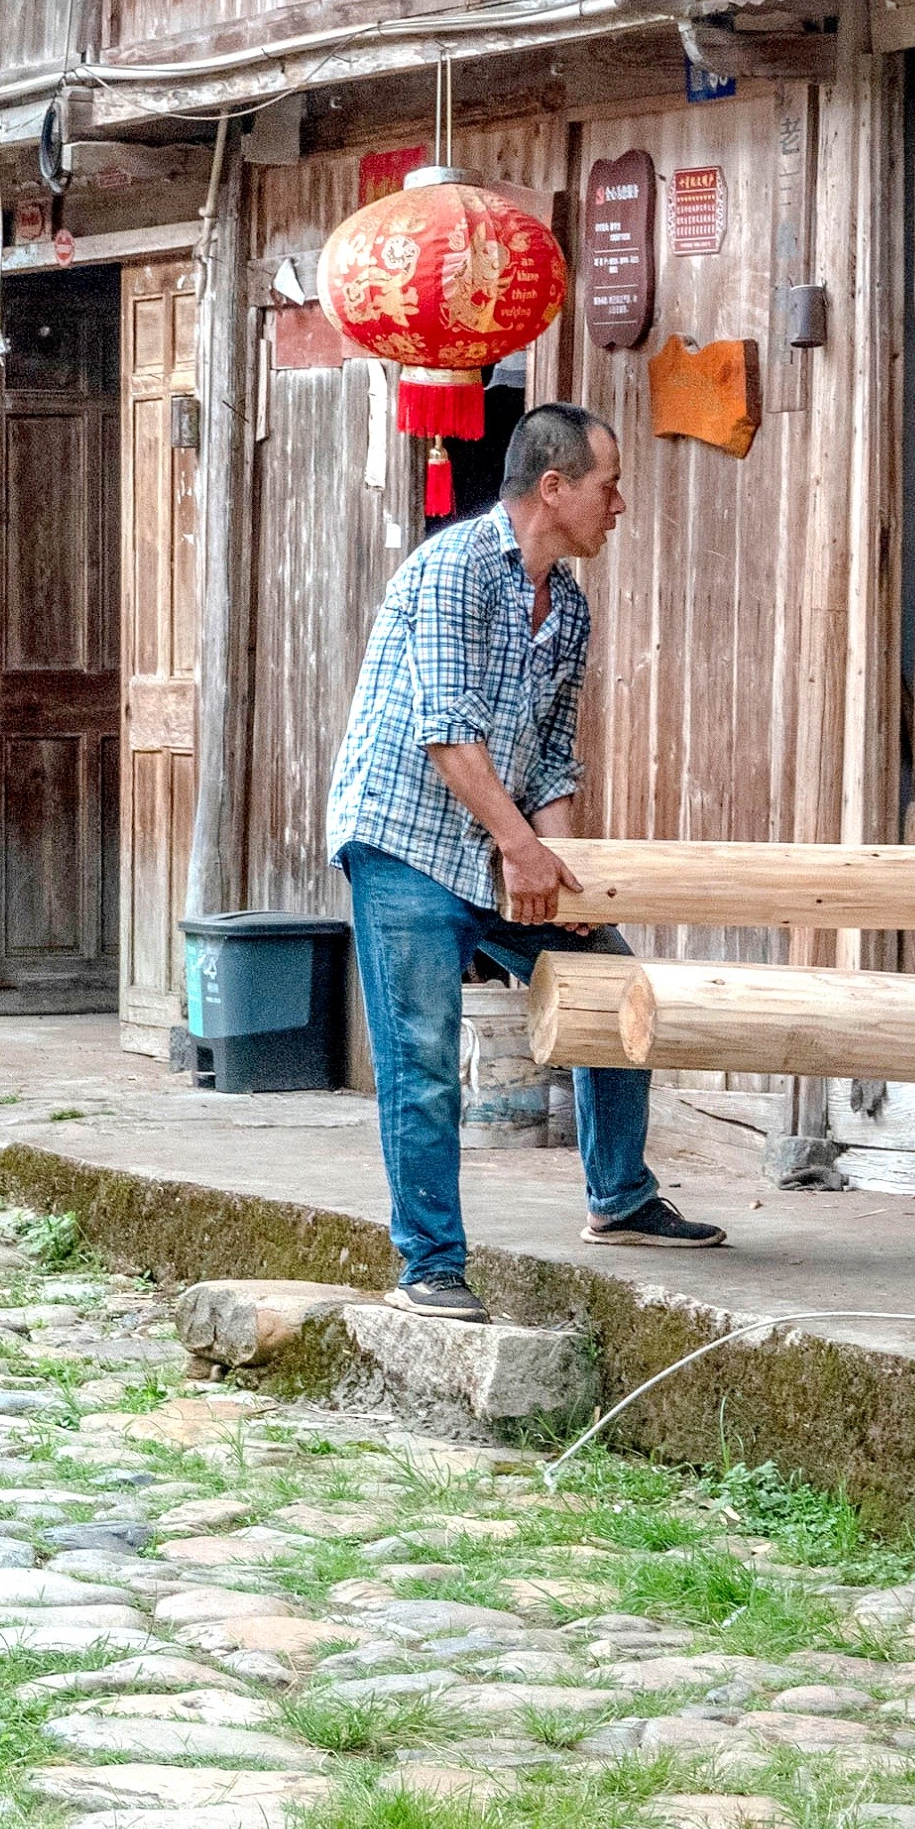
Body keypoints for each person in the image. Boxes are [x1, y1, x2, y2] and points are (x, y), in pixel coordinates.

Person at [324, 403, 724, 1320]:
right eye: (607, 486)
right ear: (552, 488)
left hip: (502, 843)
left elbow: (547, 757)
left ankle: (618, 1197)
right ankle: (429, 1266)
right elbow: (446, 733)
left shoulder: (568, 606)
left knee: (611, 988)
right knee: (422, 1057)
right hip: (404, 842)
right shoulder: (452, 570)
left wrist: (564, 870)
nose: (617, 504)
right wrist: (522, 848)